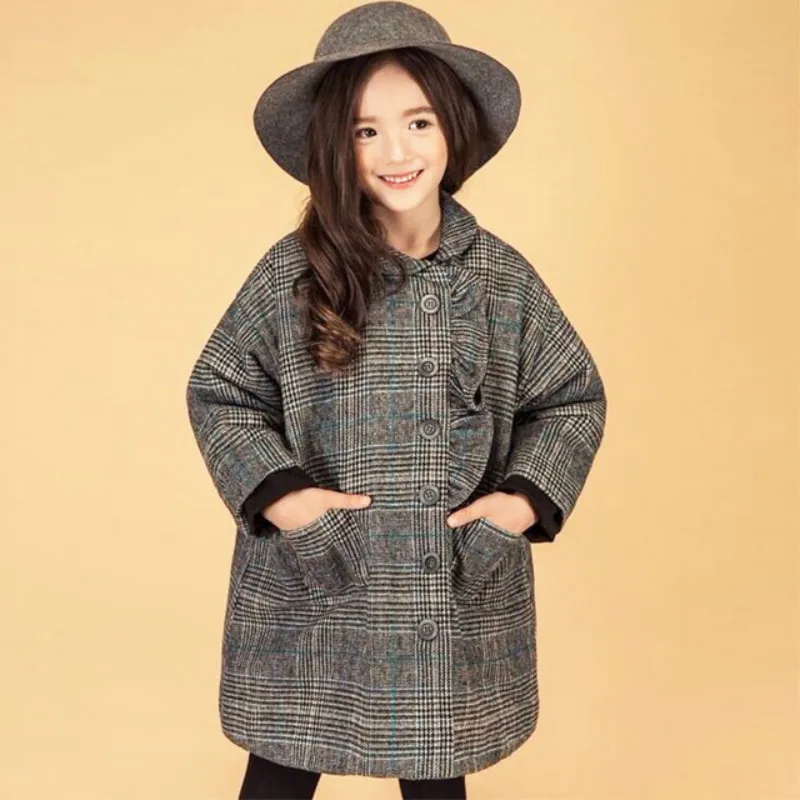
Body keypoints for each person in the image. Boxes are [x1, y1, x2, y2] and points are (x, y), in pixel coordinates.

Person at [185, 2, 607, 798]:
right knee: (281, 766)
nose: (396, 152)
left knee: (433, 765)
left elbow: (570, 397)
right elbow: (222, 390)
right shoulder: (294, 273)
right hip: (317, 577)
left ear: (453, 128)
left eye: (417, 122)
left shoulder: (502, 278)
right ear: (334, 146)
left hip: (448, 581)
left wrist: (520, 502)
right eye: (365, 131)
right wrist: (284, 498)